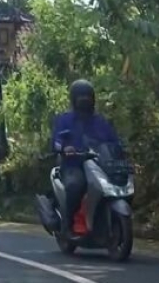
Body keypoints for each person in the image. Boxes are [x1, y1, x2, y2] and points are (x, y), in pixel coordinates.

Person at [50, 79, 120, 232]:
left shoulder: (100, 121)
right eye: (81, 98)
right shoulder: (65, 120)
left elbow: (113, 141)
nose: (85, 101)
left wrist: (121, 149)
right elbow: (56, 141)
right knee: (76, 186)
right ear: (74, 99)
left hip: (99, 165)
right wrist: (64, 147)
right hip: (73, 165)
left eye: (87, 97)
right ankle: (68, 223)